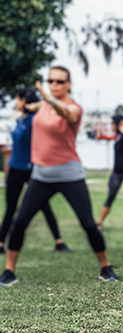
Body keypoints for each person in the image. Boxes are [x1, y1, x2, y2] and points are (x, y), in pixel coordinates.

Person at [0, 66, 117, 287]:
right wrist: (25, 107)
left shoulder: (74, 108)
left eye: (60, 81)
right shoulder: (43, 106)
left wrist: (49, 99)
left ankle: (106, 267)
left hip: (69, 174)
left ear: (68, 84)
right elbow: (33, 106)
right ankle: (8, 271)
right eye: (51, 81)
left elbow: (67, 113)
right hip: (41, 175)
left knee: (88, 223)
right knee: (20, 222)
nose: (54, 85)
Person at [0, 88, 72, 256]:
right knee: (11, 207)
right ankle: (1, 243)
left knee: (44, 206)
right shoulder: (20, 119)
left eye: (18, 100)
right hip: (16, 169)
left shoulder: (35, 120)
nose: (16, 103)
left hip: (32, 169)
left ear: (25, 101)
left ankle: (59, 242)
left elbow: (48, 110)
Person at [96, 115, 123, 231]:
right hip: (117, 172)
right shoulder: (118, 136)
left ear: (119, 124)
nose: (112, 126)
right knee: (110, 197)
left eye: (113, 123)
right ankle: (99, 223)